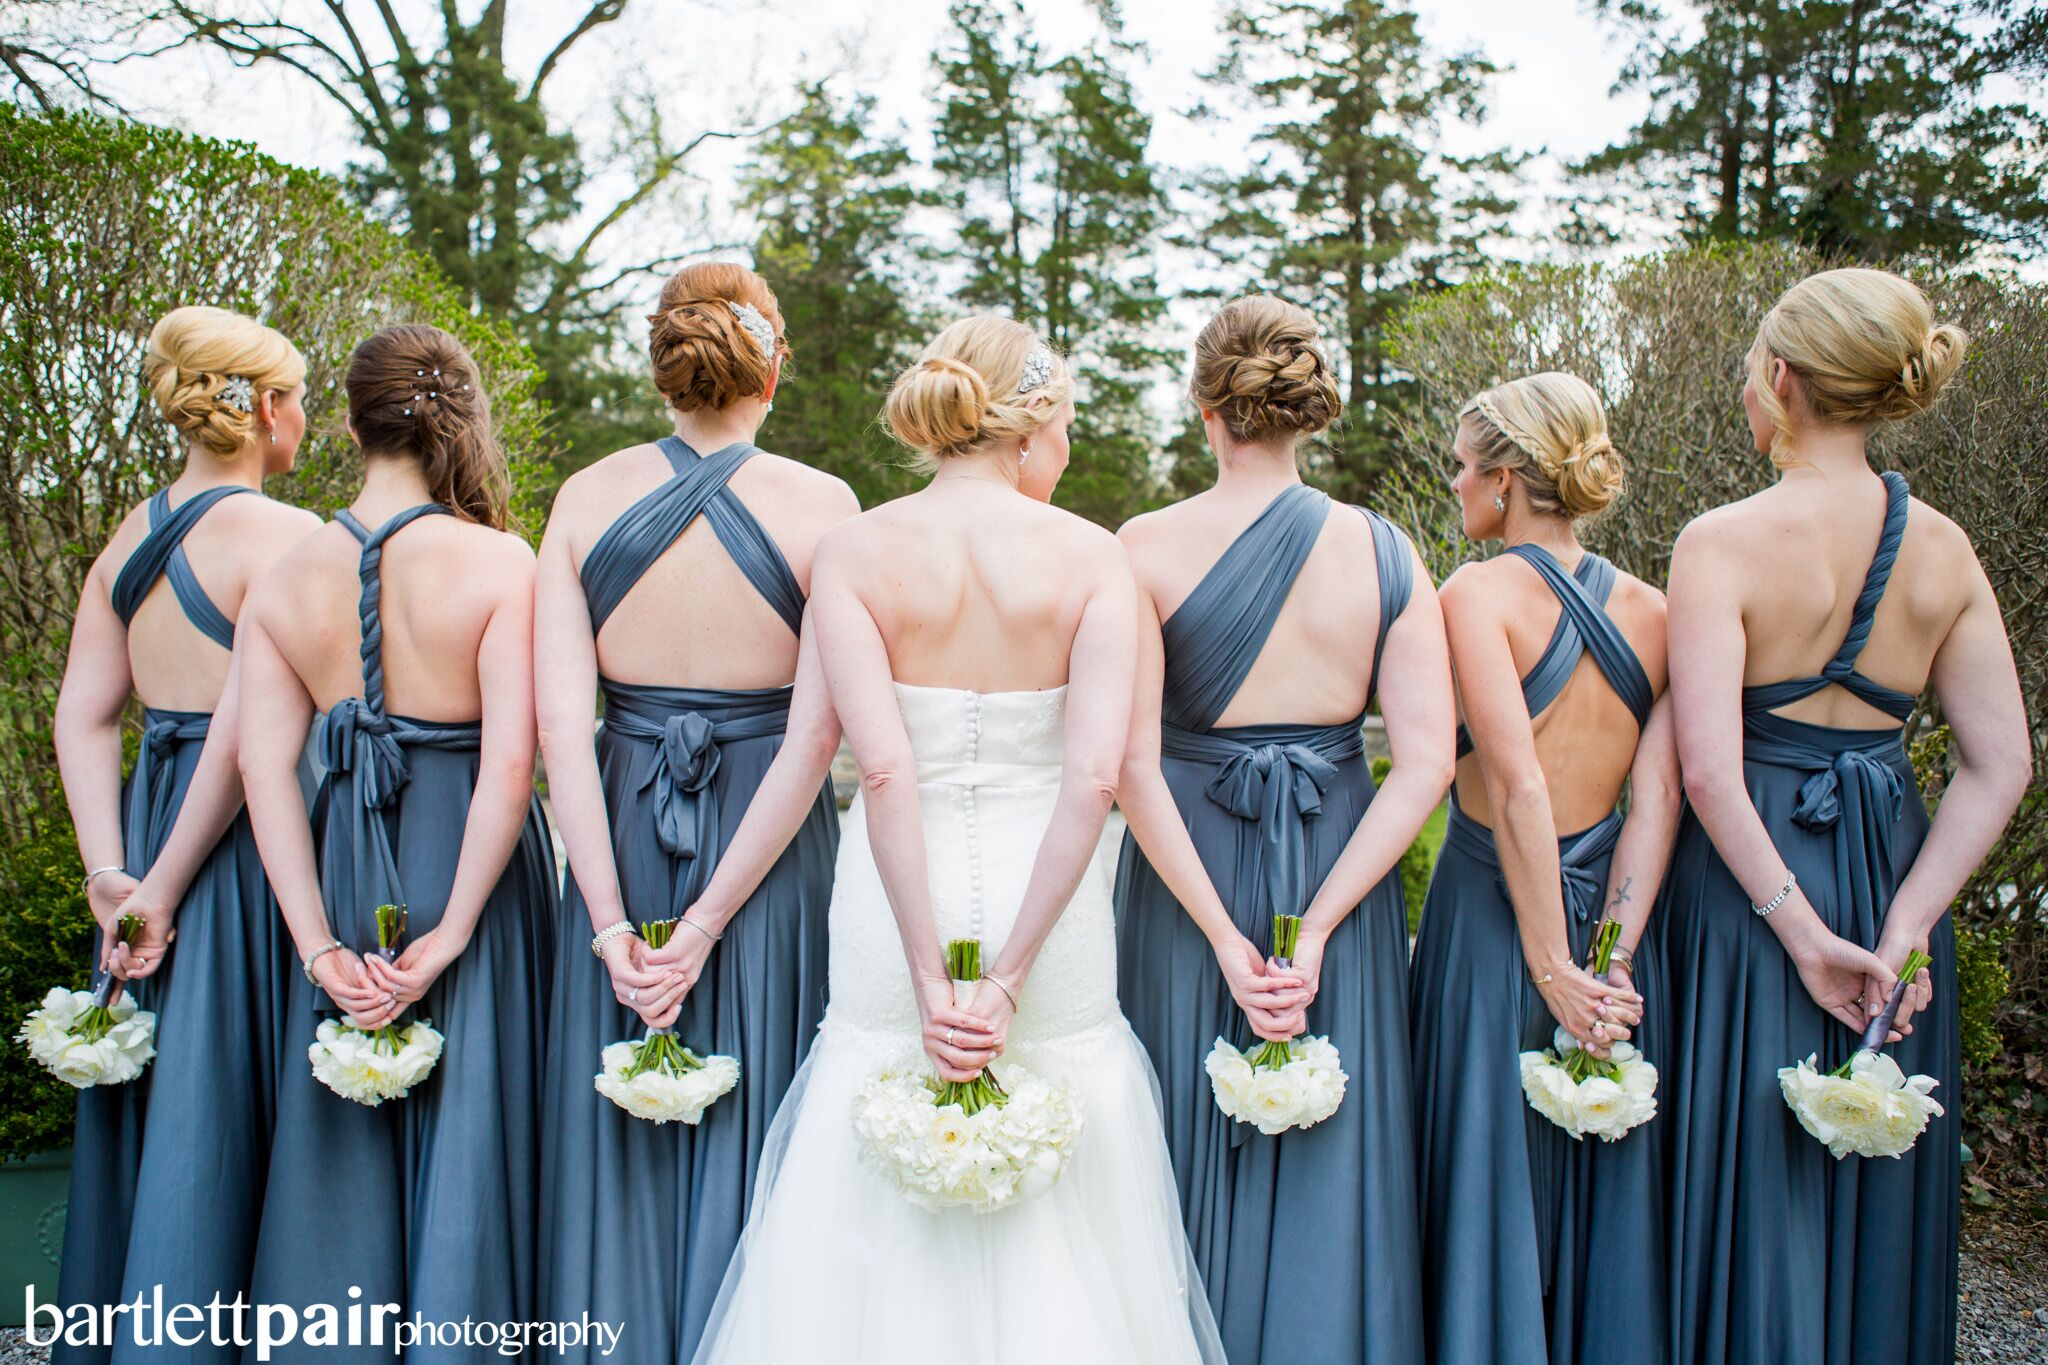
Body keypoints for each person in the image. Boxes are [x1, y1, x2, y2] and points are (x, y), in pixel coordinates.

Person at [693, 317, 1222, 1363]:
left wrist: (707, 920)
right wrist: (1009, 975)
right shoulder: (1092, 557)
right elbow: (1093, 777)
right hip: (1050, 896)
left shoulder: (852, 551)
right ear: (1028, 431)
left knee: (872, 1113)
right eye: (1065, 426)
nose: (1067, 450)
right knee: (1070, 1127)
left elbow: (851, 765)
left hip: (893, 903)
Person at [1659, 268, 2029, 1363]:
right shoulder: (1946, 551)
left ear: (1779, 381)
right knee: (1871, 1160)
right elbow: (1998, 764)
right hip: (1882, 866)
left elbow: (1708, 776)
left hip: (1746, 883)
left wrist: (1794, 927)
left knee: (1742, 1170)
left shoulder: (1718, 541)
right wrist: (1903, 925)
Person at [1114, 294, 1453, 1364]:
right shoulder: (1384, 550)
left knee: (1176, 1130)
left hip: (1185, 875)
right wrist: (1311, 931)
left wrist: (1222, 935)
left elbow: (1126, 766)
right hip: (1335, 868)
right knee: (1330, 1137)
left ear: (1203, 407)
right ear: (1308, 411)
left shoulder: (1141, 546)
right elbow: (1426, 762)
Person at [535, 263, 856, 1361]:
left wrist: (611, 922)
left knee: (614, 1107)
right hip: (770, 847)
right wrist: (713, 920)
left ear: (663, 362)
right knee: (765, 1108)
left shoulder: (582, 497)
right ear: (773, 367)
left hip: (618, 826)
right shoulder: (823, 507)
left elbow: (557, 732)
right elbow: (818, 738)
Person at [237, 324, 558, 1361]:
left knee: (344, 1125)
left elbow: (261, 771)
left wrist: (316, 946)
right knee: (478, 1129)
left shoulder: (282, 576)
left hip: (339, 865)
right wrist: (458, 927)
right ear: (461, 420)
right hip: (473, 867)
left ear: (346, 422)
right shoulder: (500, 561)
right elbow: (513, 765)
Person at [50, 306, 319, 1365]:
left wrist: (108, 869)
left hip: (147, 827)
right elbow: (251, 743)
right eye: (294, 398)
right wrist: (161, 885)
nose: (303, 420)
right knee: (236, 1103)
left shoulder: (130, 532)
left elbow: (83, 713)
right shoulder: (289, 538)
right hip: (243, 849)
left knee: (164, 1092)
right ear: (261, 408)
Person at [1409, 372, 1680, 1364]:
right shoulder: (1653, 608)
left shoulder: (1471, 593)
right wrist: (1607, 953)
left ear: (1508, 478)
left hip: (1491, 919)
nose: (1452, 485)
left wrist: (1545, 964)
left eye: (1460, 466)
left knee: (1479, 1158)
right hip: (1607, 910)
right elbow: (1656, 798)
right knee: (1591, 1140)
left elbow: (1517, 789)